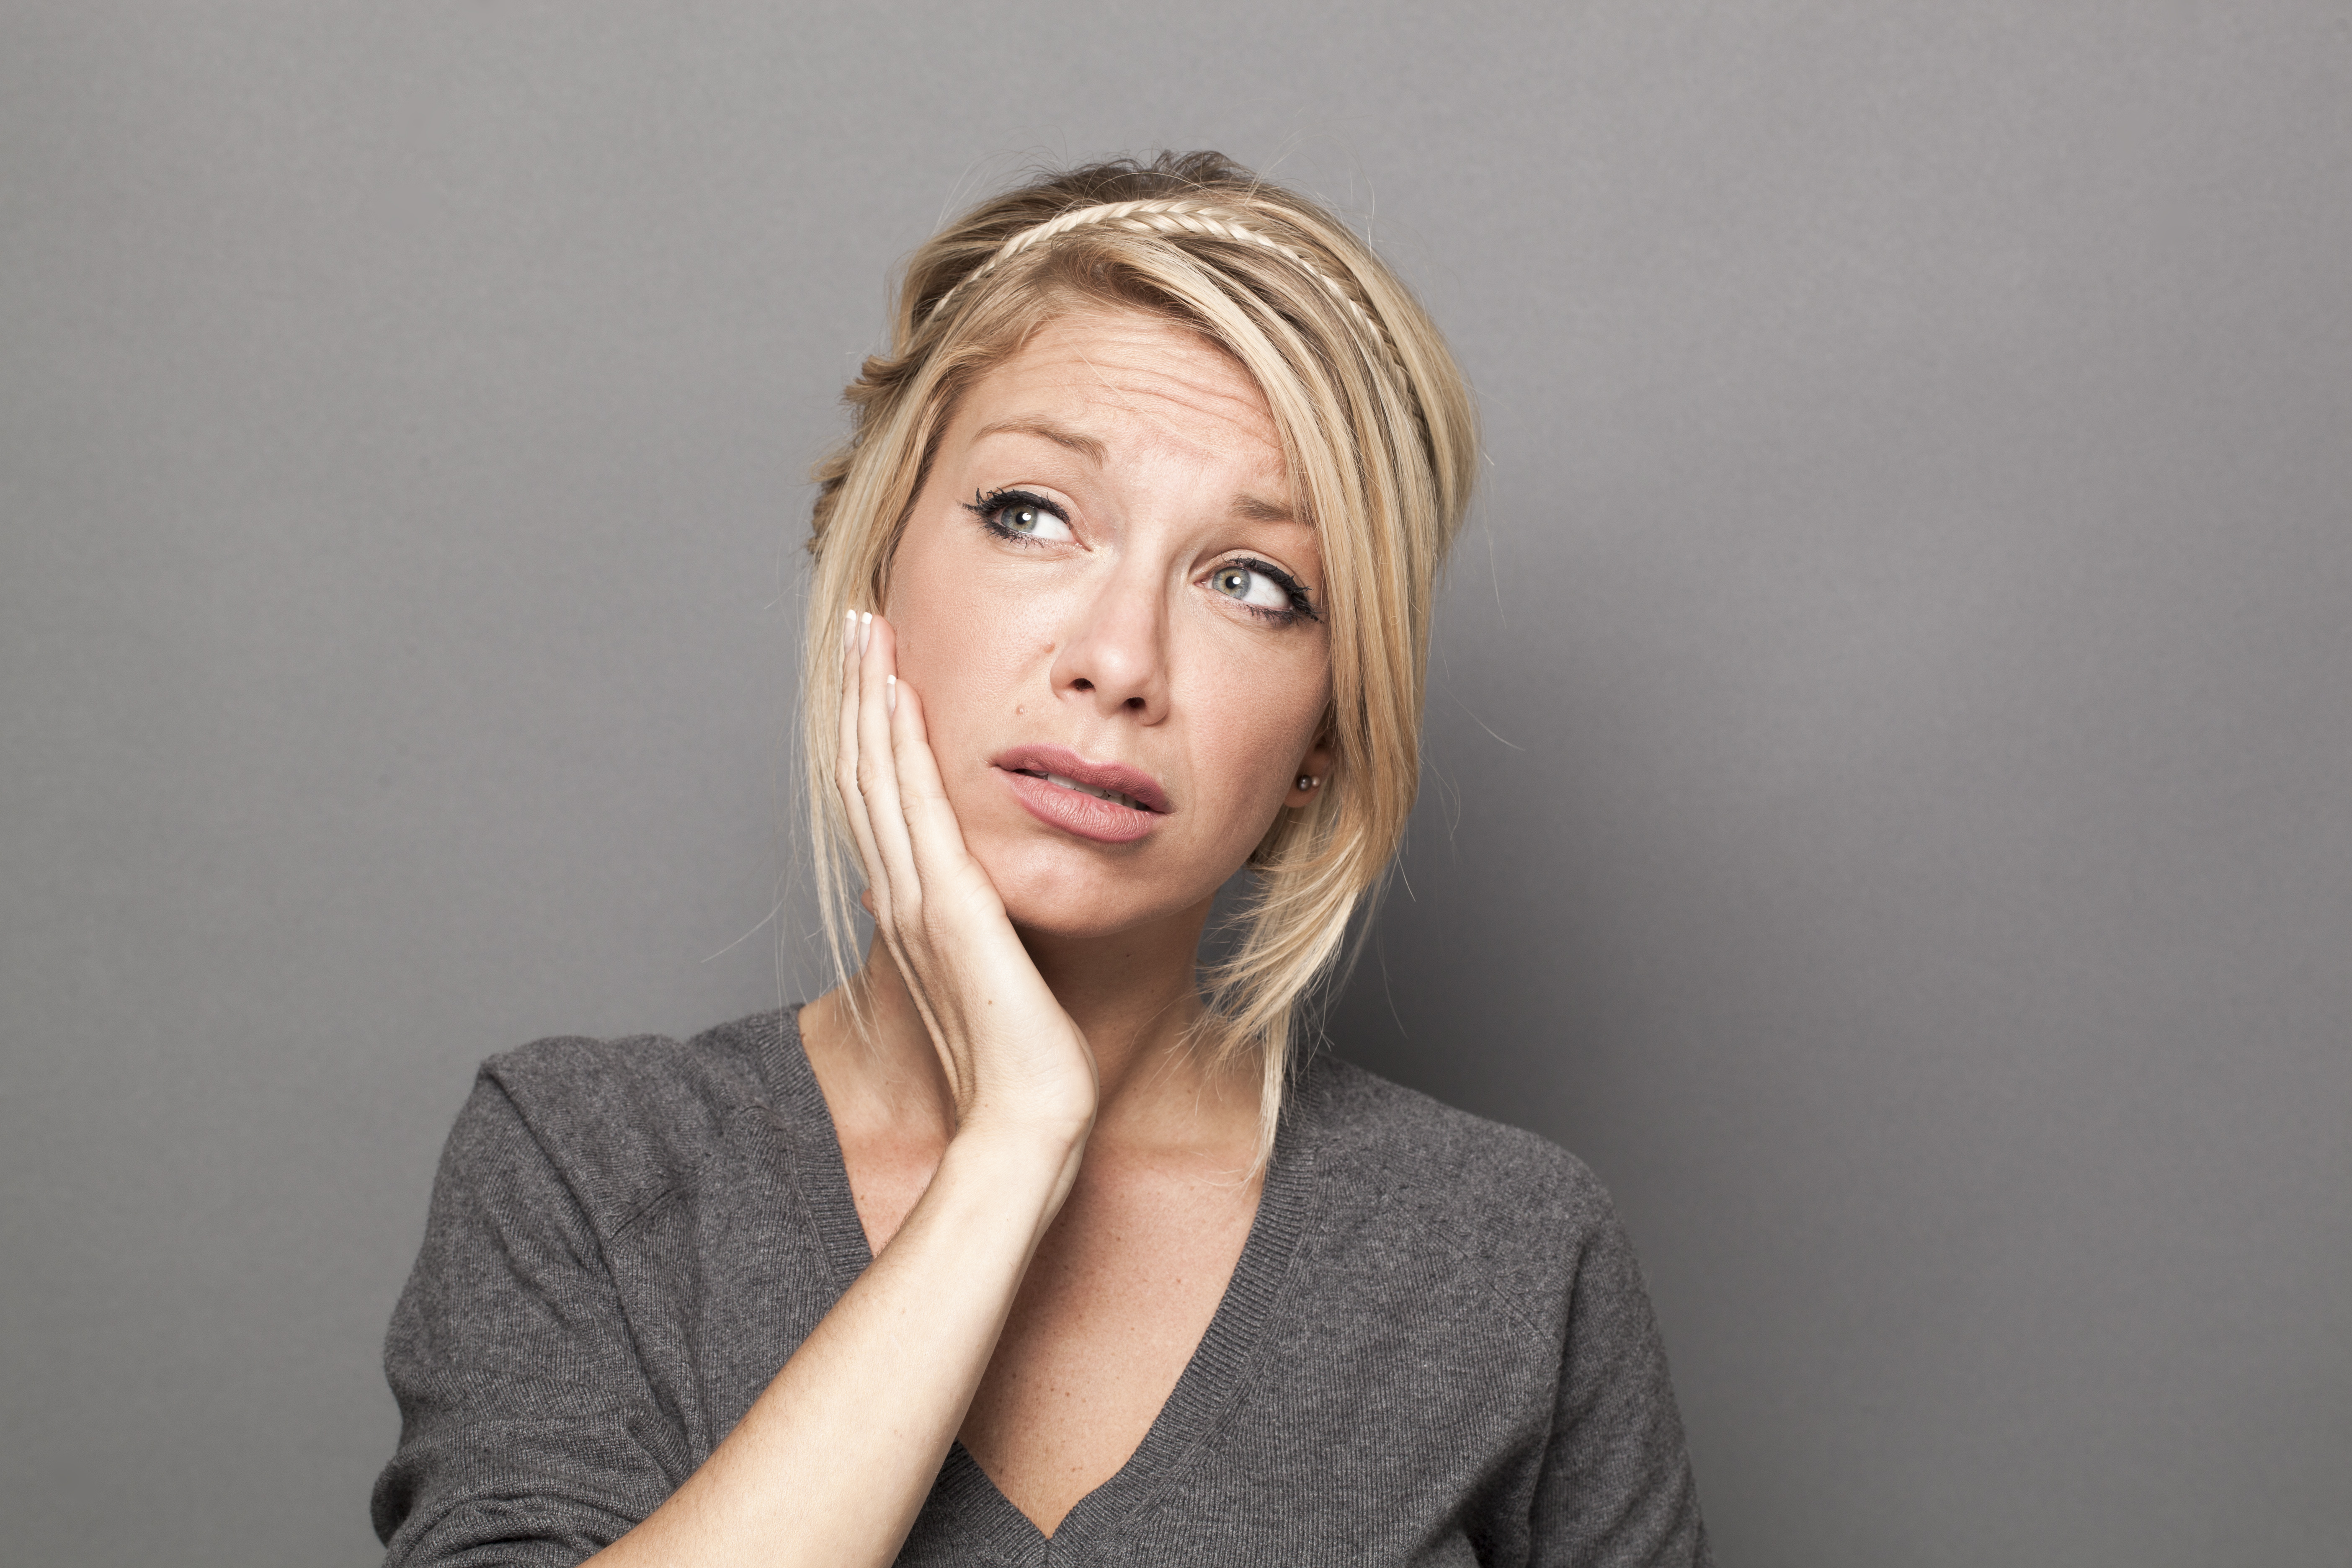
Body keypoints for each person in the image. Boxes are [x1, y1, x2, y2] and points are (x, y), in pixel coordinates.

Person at [373, 151, 1711, 1567]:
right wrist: (1013, 1147)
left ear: (1328, 728)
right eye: (1033, 515)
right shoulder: (590, 1166)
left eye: (1254, 584)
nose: (1120, 662)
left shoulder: (1504, 1254)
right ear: (873, 561)